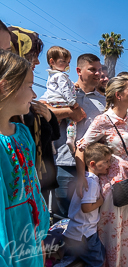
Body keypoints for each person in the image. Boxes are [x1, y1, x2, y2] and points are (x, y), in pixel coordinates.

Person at [76, 76, 128, 267]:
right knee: (113, 229)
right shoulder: (103, 120)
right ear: (118, 95)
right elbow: (81, 147)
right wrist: (82, 177)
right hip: (112, 184)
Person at [0, 50, 50, 266]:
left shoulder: (22, 133)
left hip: (29, 233)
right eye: (30, 86)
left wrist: (39, 235)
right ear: (5, 86)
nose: (35, 95)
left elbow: (34, 189)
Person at [42, 53, 104, 218]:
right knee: (63, 216)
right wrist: (69, 111)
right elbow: (41, 110)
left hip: (93, 168)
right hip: (66, 164)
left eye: (99, 70)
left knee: (88, 219)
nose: (98, 74)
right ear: (78, 70)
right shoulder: (63, 90)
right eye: (92, 70)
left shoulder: (103, 102)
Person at [8, 25, 61, 211]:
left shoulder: (26, 99)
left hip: (39, 181)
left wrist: (49, 116)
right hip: (17, 187)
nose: (37, 62)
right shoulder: (9, 100)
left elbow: (53, 136)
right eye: (32, 55)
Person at [62, 143, 110, 267]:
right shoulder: (91, 182)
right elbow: (86, 208)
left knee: (69, 262)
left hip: (74, 231)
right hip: (85, 233)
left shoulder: (88, 179)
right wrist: (100, 202)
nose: (109, 165)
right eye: (106, 161)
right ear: (93, 164)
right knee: (96, 261)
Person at [45, 46, 78, 153]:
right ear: (52, 61)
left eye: (68, 62)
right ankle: (70, 139)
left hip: (53, 102)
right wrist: (72, 102)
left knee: (54, 124)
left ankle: (50, 141)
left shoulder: (51, 76)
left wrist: (73, 85)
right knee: (72, 120)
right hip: (64, 103)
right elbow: (65, 90)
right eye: (63, 61)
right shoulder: (61, 76)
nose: (67, 64)